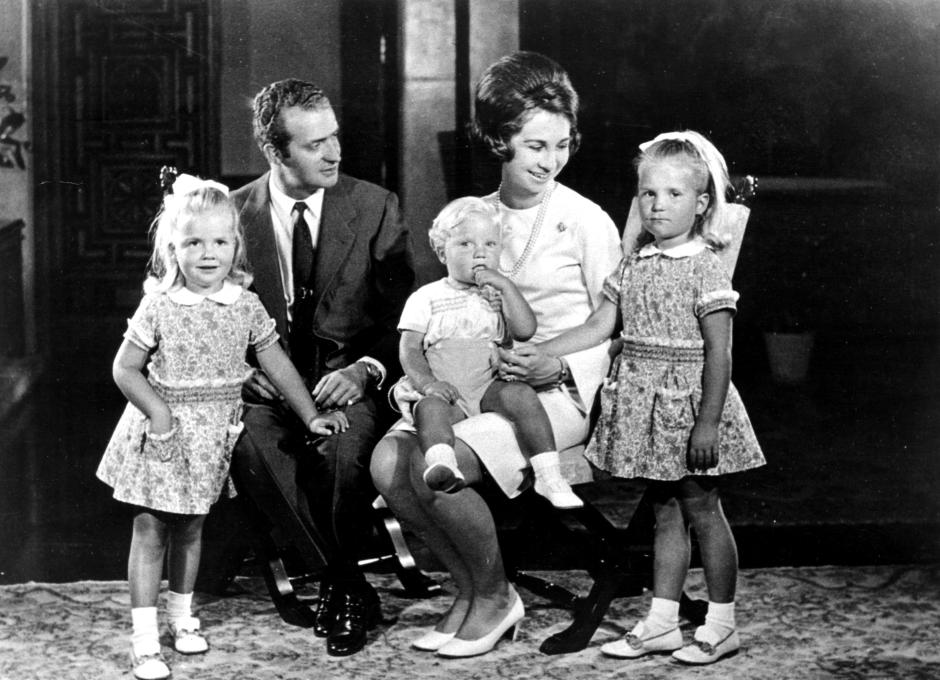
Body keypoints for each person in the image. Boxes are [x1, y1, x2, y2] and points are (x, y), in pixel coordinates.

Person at [370, 51, 622, 658]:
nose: (552, 161)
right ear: (497, 139)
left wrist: (556, 361)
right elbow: (447, 311)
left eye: (562, 144)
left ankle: (494, 597)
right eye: (536, 145)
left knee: (445, 460)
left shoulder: (586, 221)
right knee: (386, 462)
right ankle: (471, 588)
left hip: (560, 394)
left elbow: (614, 321)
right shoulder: (475, 220)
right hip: (479, 385)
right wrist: (428, 377)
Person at [96, 175, 348, 680]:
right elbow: (125, 369)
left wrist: (310, 414)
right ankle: (145, 639)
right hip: (162, 436)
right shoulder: (160, 304)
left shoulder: (245, 305)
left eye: (219, 241)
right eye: (193, 242)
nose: (207, 253)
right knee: (151, 531)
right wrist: (160, 415)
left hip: (212, 434)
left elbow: (275, 364)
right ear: (173, 249)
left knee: (191, 528)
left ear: (236, 247)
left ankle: (182, 616)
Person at [537, 130, 765, 665]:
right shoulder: (633, 263)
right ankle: (662, 622)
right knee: (665, 512)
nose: (658, 205)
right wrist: (542, 350)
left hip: (688, 407)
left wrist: (706, 424)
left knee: (703, 510)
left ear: (702, 203)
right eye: (648, 194)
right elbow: (599, 324)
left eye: (674, 195)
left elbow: (720, 355)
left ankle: (721, 622)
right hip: (643, 403)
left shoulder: (706, 267)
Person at [230, 79, 414, 657]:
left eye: (334, 138)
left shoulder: (375, 205)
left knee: (339, 453)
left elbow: (405, 317)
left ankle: (335, 579)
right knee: (249, 446)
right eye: (315, 145)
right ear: (275, 151)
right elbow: (198, 313)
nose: (334, 153)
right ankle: (348, 580)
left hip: (348, 382)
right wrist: (238, 370)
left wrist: (363, 370)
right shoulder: (232, 216)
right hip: (266, 386)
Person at [399, 196, 582, 508]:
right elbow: (409, 350)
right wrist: (428, 384)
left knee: (523, 395)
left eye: (490, 244)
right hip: (448, 388)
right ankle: (443, 464)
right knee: (428, 410)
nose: (480, 253)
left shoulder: (496, 296)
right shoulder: (426, 297)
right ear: (443, 251)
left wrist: (507, 289)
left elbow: (525, 330)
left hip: (487, 384)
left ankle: (549, 475)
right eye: (466, 244)